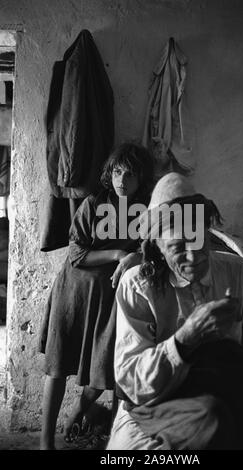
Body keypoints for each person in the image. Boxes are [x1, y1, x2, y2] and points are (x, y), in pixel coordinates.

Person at [107, 172, 243, 450]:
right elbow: (130, 381)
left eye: (199, 240)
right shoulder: (137, 286)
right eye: (177, 247)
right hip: (164, 399)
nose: (194, 256)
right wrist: (185, 339)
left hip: (228, 387)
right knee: (212, 418)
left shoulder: (239, 273)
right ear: (158, 248)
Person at [39, 142, 155, 450]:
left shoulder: (147, 213)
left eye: (130, 175)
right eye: (117, 172)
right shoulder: (94, 203)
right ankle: (45, 442)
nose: (122, 181)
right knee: (59, 365)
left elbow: (154, 251)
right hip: (75, 293)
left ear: (142, 179)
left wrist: (136, 258)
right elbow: (77, 255)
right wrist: (119, 253)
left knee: (108, 366)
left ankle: (83, 414)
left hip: (111, 298)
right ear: (109, 174)